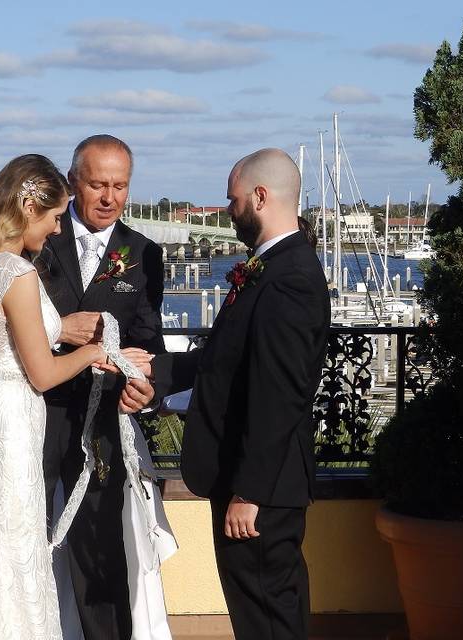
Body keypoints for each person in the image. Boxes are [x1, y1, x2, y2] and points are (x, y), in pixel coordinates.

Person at [123, 149, 330, 639]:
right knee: (255, 608)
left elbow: (280, 396)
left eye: (233, 200)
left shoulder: (290, 279)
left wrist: (250, 492)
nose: (229, 211)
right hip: (248, 479)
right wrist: (155, 373)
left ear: (260, 197)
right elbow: (224, 361)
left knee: (268, 614)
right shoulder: (273, 267)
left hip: (261, 489)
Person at [0, 154, 108, 640]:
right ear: (29, 206)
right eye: (54, 218)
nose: (56, 230)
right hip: (9, 425)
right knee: (11, 542)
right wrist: (96, 351)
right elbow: (45, 374)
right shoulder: (17, 272)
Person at [36, 134, 165, 639]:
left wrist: (144, 387)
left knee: (101, 553)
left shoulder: (144, 253)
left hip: (104, 424)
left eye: (120, 186)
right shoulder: (39, 239)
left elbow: (148, 342)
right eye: (97, 184)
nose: (109, 197)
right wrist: (61, 329)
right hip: (38, 413)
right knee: (28, 541)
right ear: (73, 183)